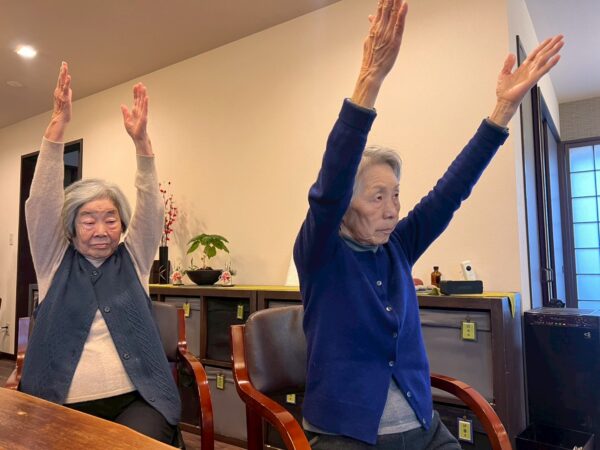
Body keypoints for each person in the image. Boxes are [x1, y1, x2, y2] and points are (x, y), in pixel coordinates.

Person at [293, 0, 563, 448]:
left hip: (424, 429)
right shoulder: (322, 253)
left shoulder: (397, 247)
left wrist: (502, 110)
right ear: (345, 204)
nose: (393, 209)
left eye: (396, 195)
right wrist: (370, 78)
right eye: (377, 197)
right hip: (348, 435)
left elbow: (449, 192)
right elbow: (331, 182)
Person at [20, 62, 181, 445]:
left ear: (122, 226)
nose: (101, 230)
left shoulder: (133, 259)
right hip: (59, 403)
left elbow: (151, 210)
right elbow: (41, 205)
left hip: (138, 400)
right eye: (88, 220)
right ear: (71, 227)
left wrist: (143, 146)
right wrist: (57, 127)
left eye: (110, 219)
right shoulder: (54, 260)